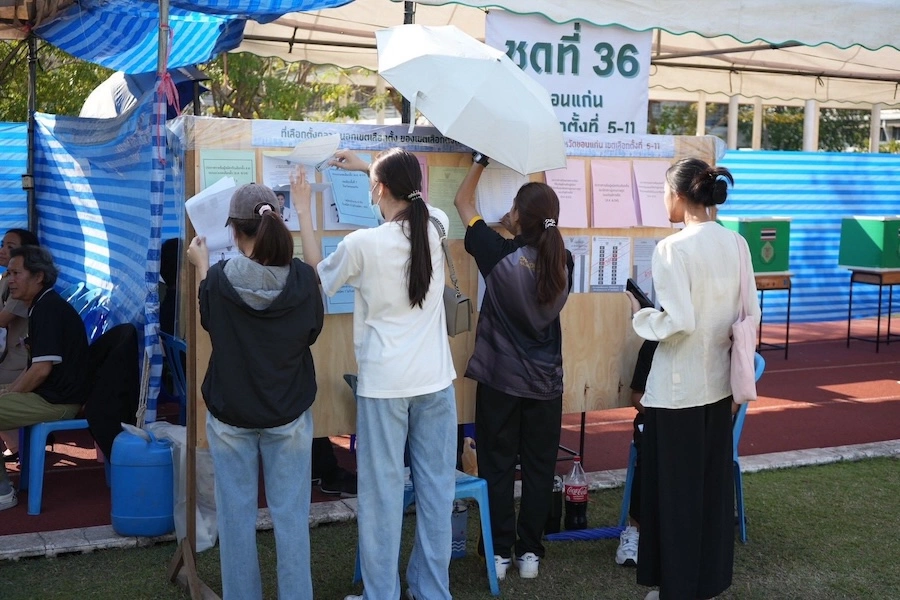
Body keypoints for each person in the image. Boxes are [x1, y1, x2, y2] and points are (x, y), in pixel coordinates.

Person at [295, 148, 457, 600]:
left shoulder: (362, 244)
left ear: (379, 189)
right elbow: (408, 195)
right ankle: (431, 592)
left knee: (382, 499)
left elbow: (316, 278)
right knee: (436, 494)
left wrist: (305, 210)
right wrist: (371, 165)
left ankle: (381, 594)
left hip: (385, 387)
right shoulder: (438, 224)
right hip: (436, 383)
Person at [628, 158, 760, 600]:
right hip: (719, 385)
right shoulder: (737, 243)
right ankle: (702, 582)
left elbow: (679, 320)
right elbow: (749, 315)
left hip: (678, 388)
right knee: (708, 491)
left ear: (679, 195)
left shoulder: (673, 248)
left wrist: (642, 318)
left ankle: (675, 587)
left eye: (665, 191)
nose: (663, 200)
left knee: (673, 493)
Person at [186, 183, 324, 600]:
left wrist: (202, 266)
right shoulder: (302, 279)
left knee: (235, 519)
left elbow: (211, 319)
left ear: (233, 229)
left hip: (232, 416)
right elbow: (312, 331)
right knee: (291, 518)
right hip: (288, 413)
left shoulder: (218, 281)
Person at [452, 152, 574, 581]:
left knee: (498, 464)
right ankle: (530, 555)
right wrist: (514, 224)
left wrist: (480, 162)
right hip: (546, 385)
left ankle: (499, 554)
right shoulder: (564, 261)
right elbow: (535, 242)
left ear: (519, 214)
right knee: (540, 467)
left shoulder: (497, 254)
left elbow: (463, 203)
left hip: (501, 380)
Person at [0, 245, 89, 511]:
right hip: (50, 395)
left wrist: (9, 394)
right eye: (8, 273)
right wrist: (9, 392)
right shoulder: (41, 305)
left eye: (16, 273)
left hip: (59, 402)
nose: (9, 279)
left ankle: (3, 492)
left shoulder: (48, 308)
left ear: (38, 276)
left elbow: (41, 370)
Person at [616, 338, 659, 568]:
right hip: (655, 420)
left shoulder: (709, 342)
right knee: (649, 455)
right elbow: (637, 396)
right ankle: (634, 530)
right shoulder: (653, 344)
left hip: (692, 423)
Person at [0, 228, 41, 462]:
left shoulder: (20, 286)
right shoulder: (8, 279)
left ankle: (17, 445)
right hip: (10, 355)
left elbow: (3, 320)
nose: (4, 251)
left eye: (11, 247)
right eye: (3, 245)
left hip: (19, 360)